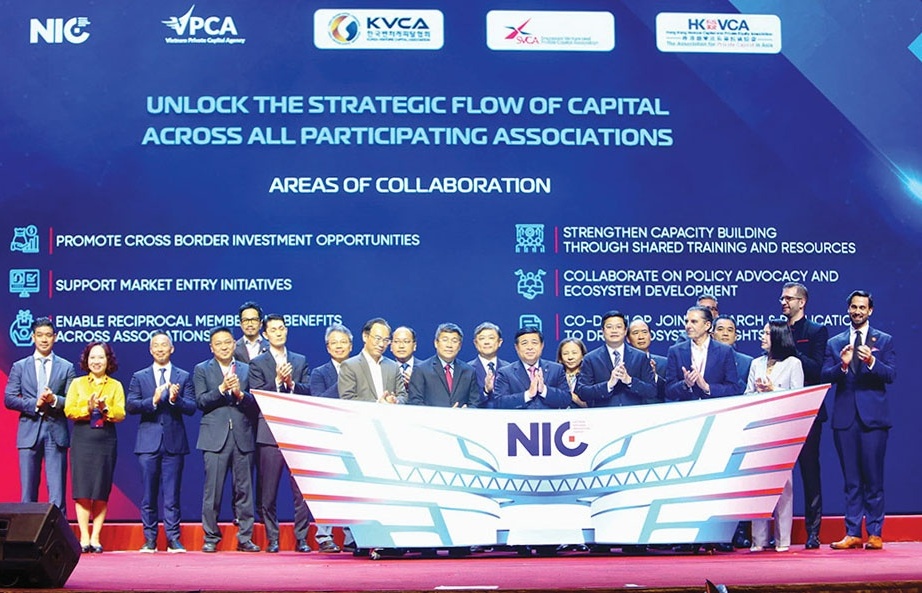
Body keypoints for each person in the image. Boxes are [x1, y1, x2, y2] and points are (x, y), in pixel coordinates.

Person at [822, 290, 895, 551]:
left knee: (873, 480)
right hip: (845, 419)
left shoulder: (883, 340)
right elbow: (825, 376)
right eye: (853, 307)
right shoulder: (835, 343)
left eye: (862, 307)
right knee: (851, 481)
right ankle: (852, 532)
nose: (857, 311)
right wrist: (842, 366)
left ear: (870, 310)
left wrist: (872, 360)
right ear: (848, 309)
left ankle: (874, 533)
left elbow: (891, 375)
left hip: (873, 419)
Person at [126, 331, 196, 553]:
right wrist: (153, 400)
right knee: (149, 495)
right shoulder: (140, 376)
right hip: (148, 443)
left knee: (172, 495)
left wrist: (175, 399)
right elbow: (131, 405)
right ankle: (150, 540)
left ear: (172, 348)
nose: (159, 349)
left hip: (174, 443)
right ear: (150, 350)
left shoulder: (183, 376)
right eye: (155, 345)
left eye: (164, 345)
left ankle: (173, 539)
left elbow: (192, 407)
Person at [247, 314, 312, 554]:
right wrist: (276, 381)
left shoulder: (300, 360)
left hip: (296, 432)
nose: (279, 332)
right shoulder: (257, 363)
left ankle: (302, 538)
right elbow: (255, 396)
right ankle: (272, 538)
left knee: (300, 492)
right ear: (265, 334)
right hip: (269, 433)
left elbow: (309, 391)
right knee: (268, 491)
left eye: (282, 328)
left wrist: (291, 383)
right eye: (273, 329)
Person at [194, 326, 260, 553]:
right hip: (214, 438)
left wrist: (240, 395)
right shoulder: (202, 369)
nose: (224, 347)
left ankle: (245, 538)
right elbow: (200, 402)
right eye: (218, 343)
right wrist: (221, 389)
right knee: (213, 491)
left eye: (227, 342)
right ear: (211, 347)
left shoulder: (246, 369)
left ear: (234, 344)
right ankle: (211, 537)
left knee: (244, 491)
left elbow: (255, 403)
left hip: (242, 436)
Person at [4, 317, 75, 515]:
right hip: (29, 431)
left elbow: (72, 400)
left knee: (57, 494)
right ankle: (26, 533)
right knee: (28, 494)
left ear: (55, 337)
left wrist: (54, 400)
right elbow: (9, 398)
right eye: (40, 335)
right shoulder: (20, 366)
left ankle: (57, 534)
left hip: (56, 432)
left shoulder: (66, 367)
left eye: (48, 335)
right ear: (32, 337)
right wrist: (33, 404)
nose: (44, 339)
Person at [745, 321, 803, 553]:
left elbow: (798, 397)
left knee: (784, 486)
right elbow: (747, 394)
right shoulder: (755, 363)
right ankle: (758, 539)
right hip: (758, 429)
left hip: (782, 430)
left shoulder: (793, 364)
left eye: (767, 333)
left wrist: (773, 390)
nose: (762, 336)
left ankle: (783, 539)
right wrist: (757, 393)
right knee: (757, 484)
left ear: (778, 337)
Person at [64, 341, 126, 553]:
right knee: (82, 489)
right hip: (83, 438)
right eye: (92, 357)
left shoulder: (115, 385)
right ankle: (84, 536)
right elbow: (69, 410)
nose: (96, 361)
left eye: (100, 357)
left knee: (100, 488)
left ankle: (96, 537)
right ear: (86, 360)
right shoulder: (77, 383)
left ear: (108, 360)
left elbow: (121, 413)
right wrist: (88, 408)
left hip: (105, 439)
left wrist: (105, 409)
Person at [780, 282, 828, 549]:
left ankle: (813, 531)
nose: (784, 302)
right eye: (782, 298)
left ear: (802, 302)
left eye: (789, 298)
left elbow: (817, 370)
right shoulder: (777, 328)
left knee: (810, 471)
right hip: (780, 412)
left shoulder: (816, 331)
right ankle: (777, 533)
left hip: (808, 411)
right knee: (778, 475)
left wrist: (792, 351)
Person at [308, 323, 356, 553]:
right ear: (328, 348)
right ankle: (324, 535)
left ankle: (351, 537)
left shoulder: (360, 369)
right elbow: (319, 402)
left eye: (343, 342)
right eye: (334, 343)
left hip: (354, 433)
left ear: (351, 346)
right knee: (327, 487)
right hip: (327, 435)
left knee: (353, 486)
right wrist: (345, 378)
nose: (339, 346)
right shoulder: (319, 373)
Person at [575, 311, 657, 407]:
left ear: (625, 331)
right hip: (603, 413)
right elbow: (582, 392)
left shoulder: (640, 357)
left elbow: (652, 391)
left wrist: (629, 381)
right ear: (602, 331)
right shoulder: (591, 359)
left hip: (634, 413)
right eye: (609, 327)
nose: (614, 330)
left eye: (618, 327)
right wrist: (608, 385)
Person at [664, 306, 739, 401]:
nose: (688, 326)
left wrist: (707, 387)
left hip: (715, 407)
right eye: (686, 322)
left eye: (694, 322)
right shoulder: (675, 351)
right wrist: (685, 384)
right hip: (687, 408)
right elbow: (668, 390)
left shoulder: (725, 351)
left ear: (707, 325)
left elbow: (733, 388)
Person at [493, 327, 571, 410]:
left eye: (534, 343)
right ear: (517, 347)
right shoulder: (505, 373)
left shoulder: (556, 369)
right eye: (524, 343)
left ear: (542, 345)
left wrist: (544, 390)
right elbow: (499, 403)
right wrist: (528, 395)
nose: (530, 347)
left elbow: (566, 399)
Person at [408, 323, 481, 408]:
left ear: (460, 346)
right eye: (445, 340)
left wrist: (465, 412)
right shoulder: (421, 370)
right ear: (436, 343)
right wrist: (443, 414)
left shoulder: (469, 371)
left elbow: (474, 403)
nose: (449, 345)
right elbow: (415, 402)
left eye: (454, 341)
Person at [338, 318, 406, 404]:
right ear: (365, 337)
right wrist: (377, 403)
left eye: (385, 340)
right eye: (377, 338)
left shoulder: (393, 366)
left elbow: (403, 395)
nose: (381, 344)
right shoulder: (349, 366)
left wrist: (395, 401)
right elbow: (347, 399)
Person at [467, 322, 511, 408]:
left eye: (491, 338)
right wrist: (485, 390)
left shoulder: (509, 369)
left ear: (500, 342)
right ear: (475, 343)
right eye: (482, 338)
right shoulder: (467, 369)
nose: (486, 342)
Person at [627, 319, 667, 402]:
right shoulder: (623, 364)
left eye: (644, 332)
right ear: (628, 339)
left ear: (650, 336)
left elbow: (669, 393)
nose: (641, 337)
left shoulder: (664, 363)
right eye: (635, 333)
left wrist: (655, 376)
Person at [712, 315, 751, 395]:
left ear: (735, 336)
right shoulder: (703, 359)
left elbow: (749, 391)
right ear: (712, 335)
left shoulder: (747, 362)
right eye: (720, 329)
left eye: (730, 330)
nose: (725, 333)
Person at [557, 337, 587, 408]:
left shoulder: (588, 376)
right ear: (560, 358)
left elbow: (592, 405)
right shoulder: (555, 376)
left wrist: (568, 394)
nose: (570, 357)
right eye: (565, 353)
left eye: (574, 353)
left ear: (583, 356)